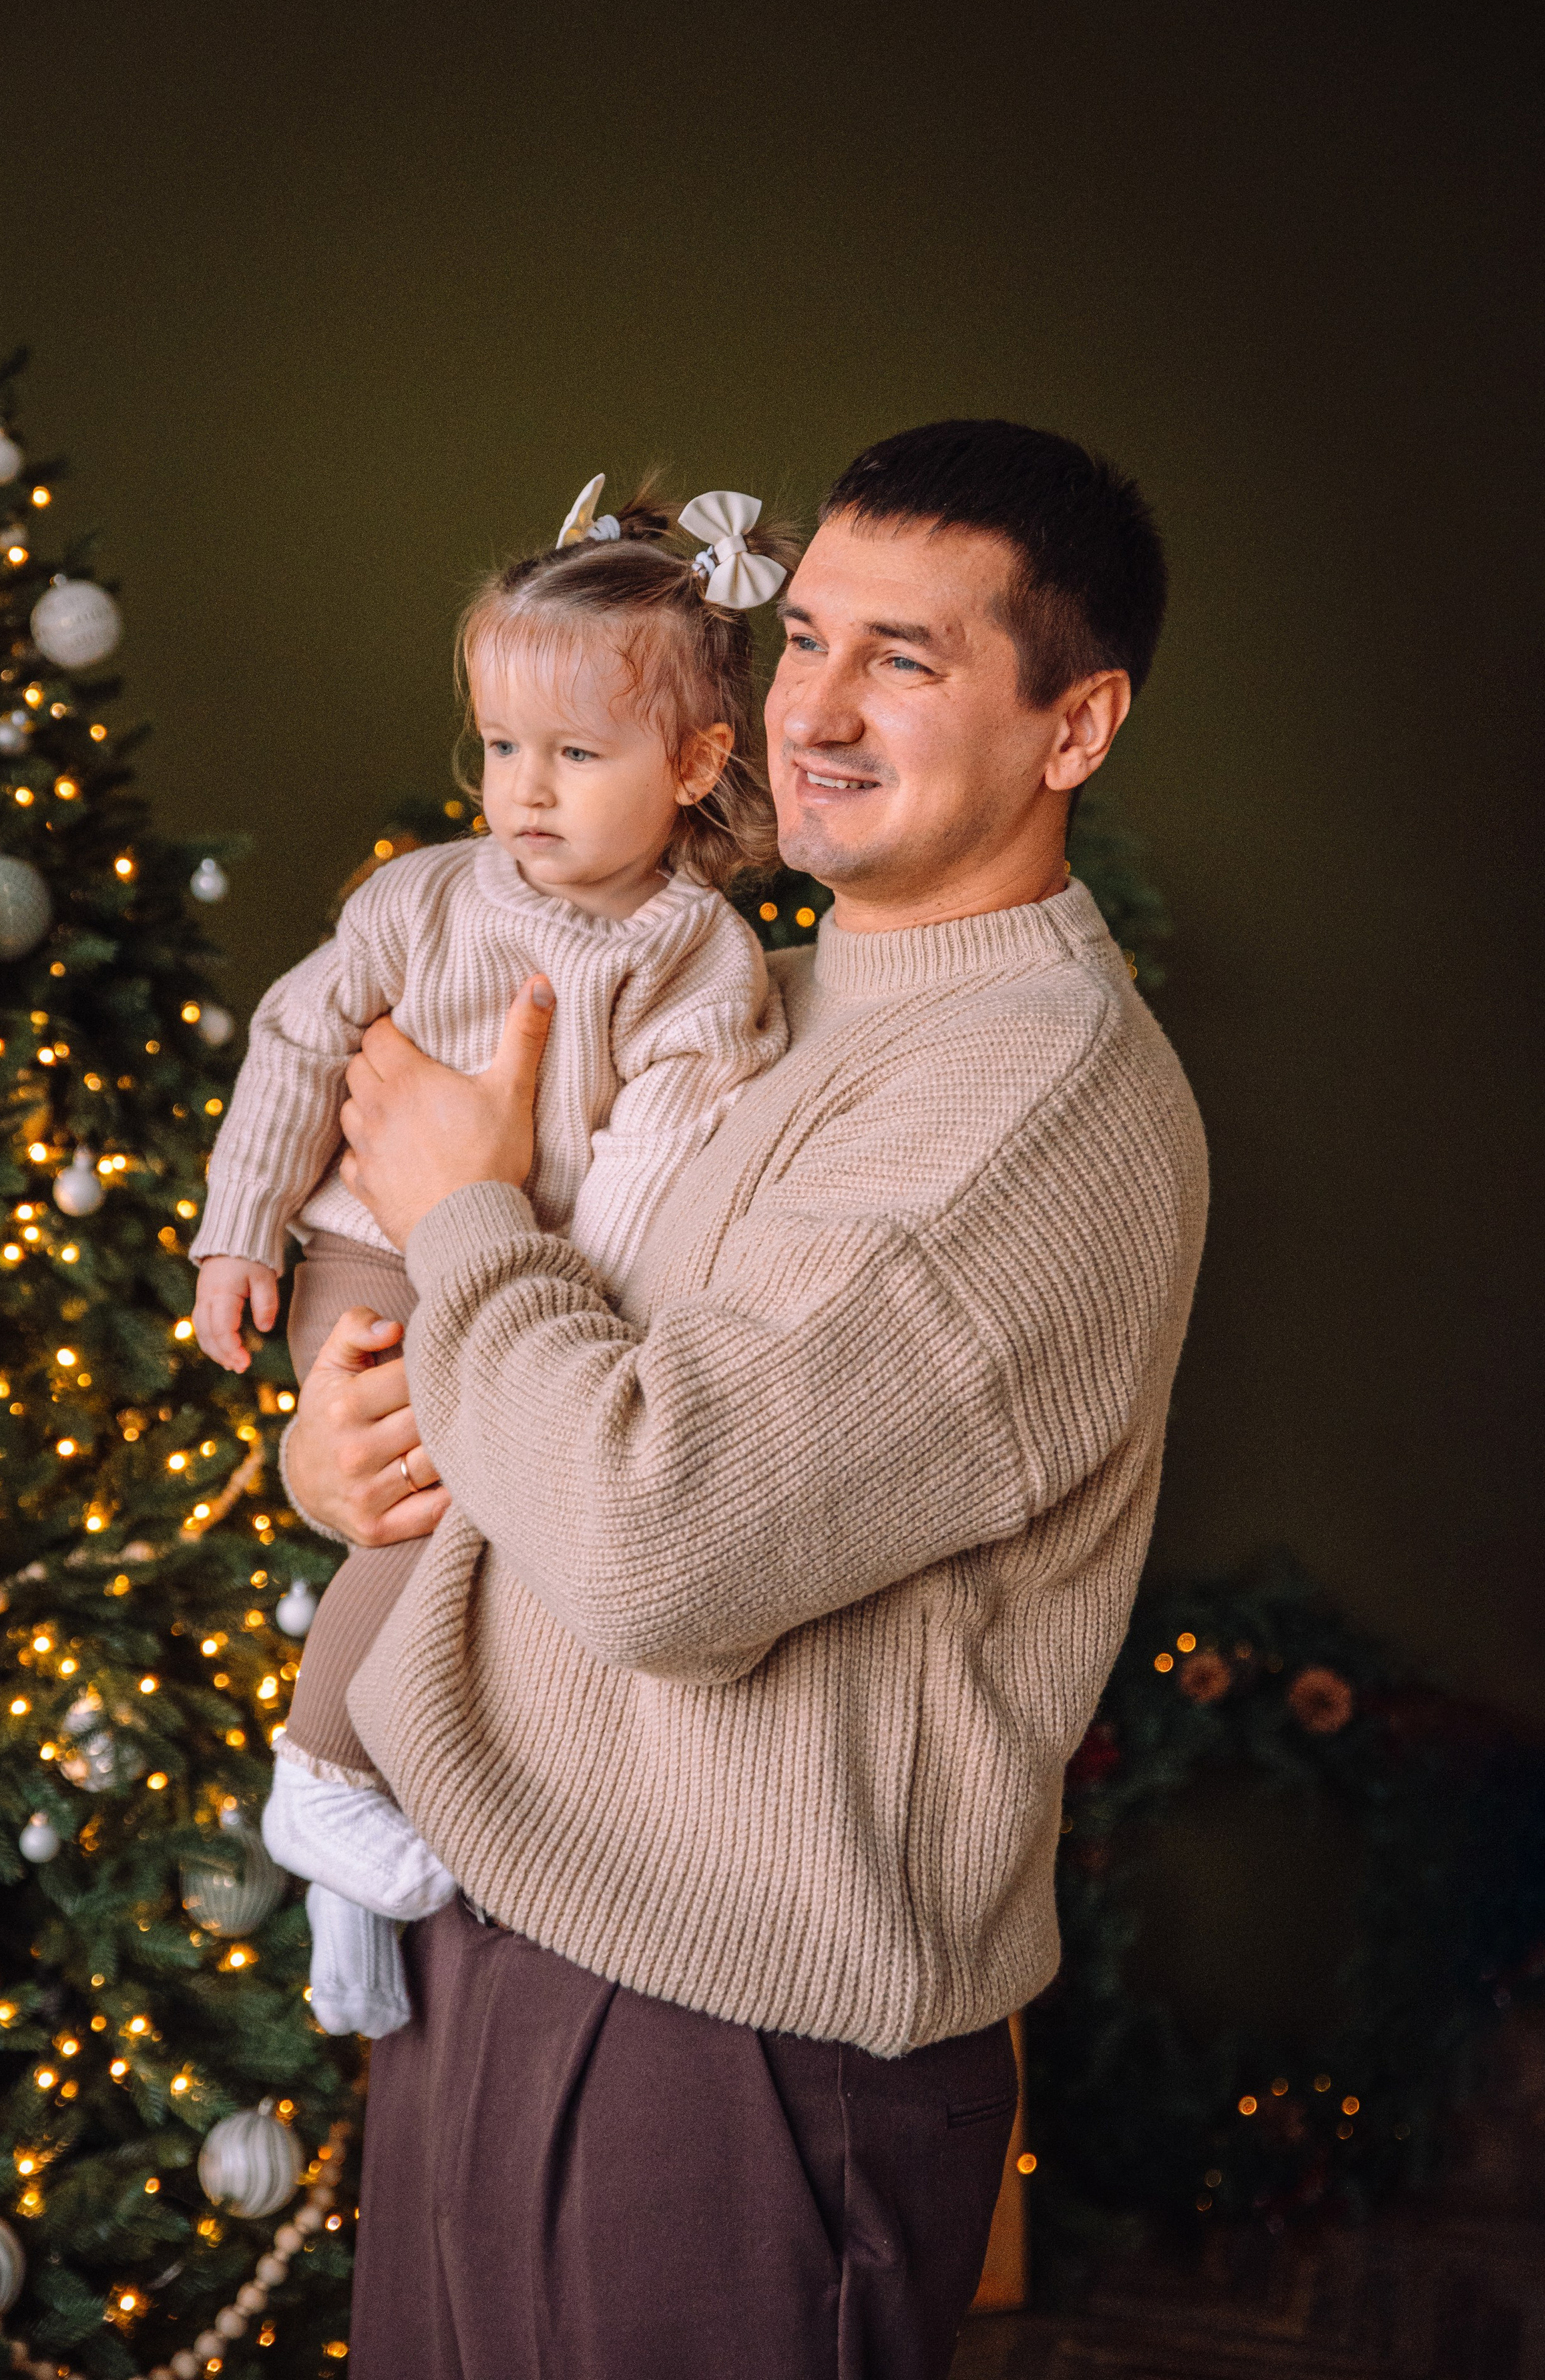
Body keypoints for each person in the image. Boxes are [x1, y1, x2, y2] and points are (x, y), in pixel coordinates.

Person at [284, 419, 1209, 2380]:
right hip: (516, 1905)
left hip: (733, 2039)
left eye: (910, 657)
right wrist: (345, 1431)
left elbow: (650, 1540)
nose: (818, 708)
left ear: (1078, 726)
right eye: (804, 639)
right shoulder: (762, 1005)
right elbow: (527, 1370)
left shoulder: (1022, 1097)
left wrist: (459, 1221)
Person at [188, 475, 796, 2033]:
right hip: (365, 1247)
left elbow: (648, 1173)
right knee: (427, 1512)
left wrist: (547, 1332)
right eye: (500, 749)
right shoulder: (423, 899)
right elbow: (296, 1036)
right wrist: (235, 1233)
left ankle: (346, 1901)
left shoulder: (694, 962)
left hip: (528, 1284)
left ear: (693, 763)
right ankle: (319, 1771)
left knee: (490, 1517)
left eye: (576, 755)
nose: (523, 792)